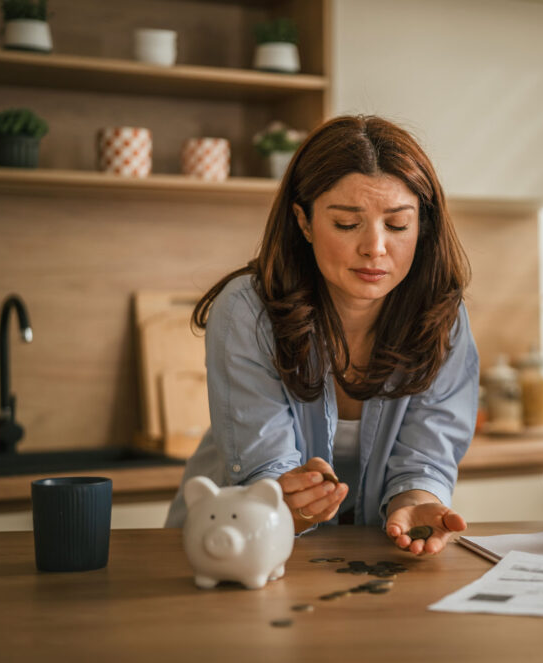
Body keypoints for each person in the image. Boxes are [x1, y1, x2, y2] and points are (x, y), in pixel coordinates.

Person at [165, 115, 478, 556]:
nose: (375, 246)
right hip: (233, 548)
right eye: (348, 224)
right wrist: (290, 500)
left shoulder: (443, 318)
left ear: (422, 227)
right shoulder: (246, 311)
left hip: (372, 560)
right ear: (304, 222)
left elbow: (424, 463)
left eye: (397, 225)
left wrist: (418, 503)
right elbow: (265, 478)